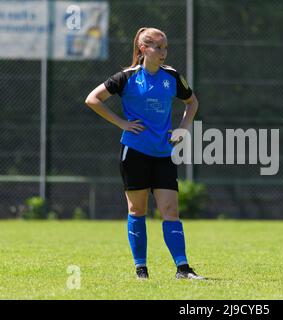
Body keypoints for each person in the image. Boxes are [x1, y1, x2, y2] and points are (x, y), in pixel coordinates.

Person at [85, 27, 203, 280]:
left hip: (163, 153)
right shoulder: (127, 77)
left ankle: (183, 269)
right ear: (143, 49)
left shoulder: (171, 77)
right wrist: (121, 123)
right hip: (135, 152)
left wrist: (182, 130)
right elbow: (93, 99)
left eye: (165, 48)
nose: (163, 53)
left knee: (170, 211)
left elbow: (192, 102)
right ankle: (141, 270)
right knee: (137, 210)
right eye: (157, 48)